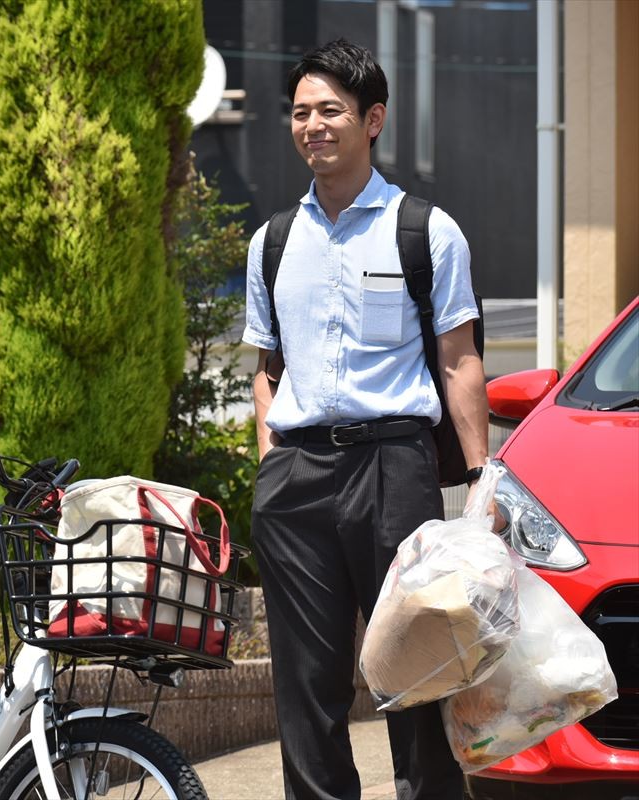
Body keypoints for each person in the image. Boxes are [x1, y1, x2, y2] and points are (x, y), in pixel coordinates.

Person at [241, 39, 488, 800]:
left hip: (395, 470)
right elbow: (264, 368)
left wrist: (482, 483)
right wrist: (268, 461)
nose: (312, 125)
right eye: (301, 112)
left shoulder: (426, 231)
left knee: (415, 676)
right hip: (298, 481)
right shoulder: (273, 243)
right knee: (306, 691)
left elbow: (459, 361)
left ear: (372, 119)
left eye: (331, 111)